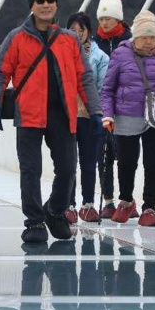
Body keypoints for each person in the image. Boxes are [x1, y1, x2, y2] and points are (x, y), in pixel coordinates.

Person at [0, 0, 102, 244]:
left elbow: (85, 77)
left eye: (50, 0)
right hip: (28, 114)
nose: (46, 4)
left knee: (67, 169)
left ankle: (55, 211)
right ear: (32, 7)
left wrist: (95, 111)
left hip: (62, 114)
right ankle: (34, 221)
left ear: (56, 6)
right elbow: (0, 73)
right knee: (31, 171)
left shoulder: (68, 40)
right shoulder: (16, 38)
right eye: (40, 1)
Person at [100, 11, 155, 227]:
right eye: (145, 37)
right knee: (127, 162)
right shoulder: (121, 55)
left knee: (153, 163)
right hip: (126, 116)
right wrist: (107, 115)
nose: (150, 42)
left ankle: (149, 208)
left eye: (153, 37)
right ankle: (127, 200)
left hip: (154, 118)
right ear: (135, 37)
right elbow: (107, 89)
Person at [93, 0, 133, 219]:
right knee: (103, 154)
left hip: (125, 106)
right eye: (100, 19)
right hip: (100, 106)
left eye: (108, 18)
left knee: (124, 153)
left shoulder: (129, 41)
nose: (104, 22)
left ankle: (126, 200)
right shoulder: (95, 42)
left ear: (118, 18)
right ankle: (108, 200)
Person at [66, 12, 109, 224]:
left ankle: (88, 204)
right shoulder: (62, 53)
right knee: (68, 162)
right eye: (72, 30)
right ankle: (69, 204)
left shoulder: (100, 58)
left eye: (80, 30)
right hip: (66, 116)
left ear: (88, 32)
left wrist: (99, 113)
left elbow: (102, 87)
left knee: (89, 162)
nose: (77, 34)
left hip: (88, 116)